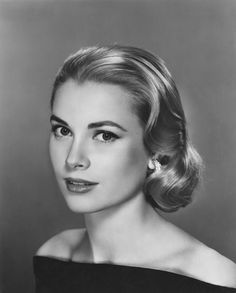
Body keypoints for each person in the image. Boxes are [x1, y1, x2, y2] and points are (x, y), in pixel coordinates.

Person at [33, 45, 236, 292]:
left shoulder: (210, 278)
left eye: (105, 136)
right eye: (63, 131)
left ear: (156, 151)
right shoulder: (55, 255)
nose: (73, 159)